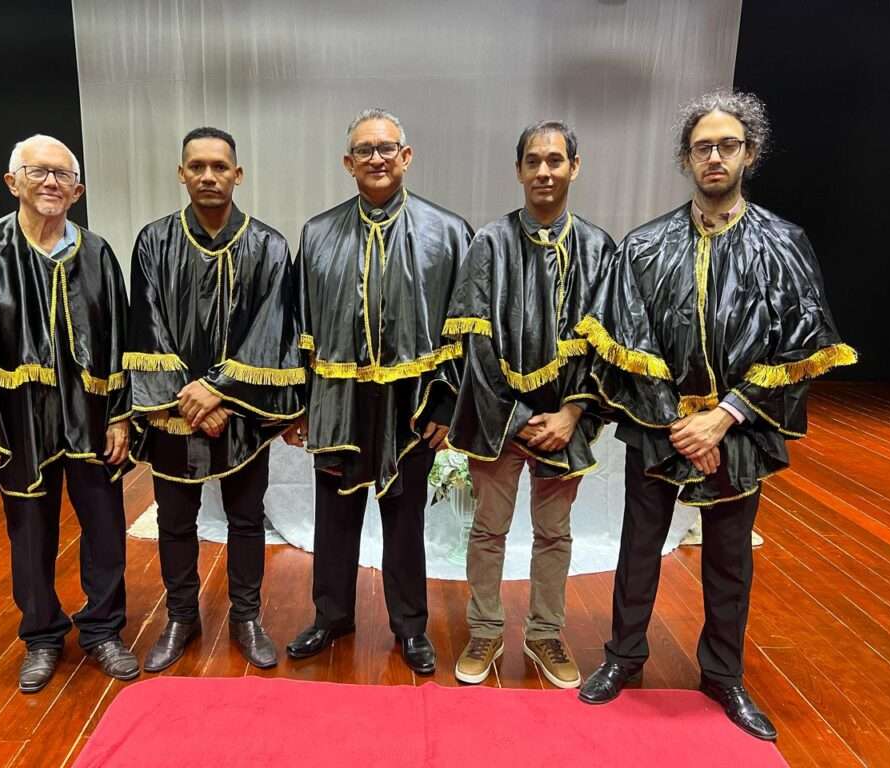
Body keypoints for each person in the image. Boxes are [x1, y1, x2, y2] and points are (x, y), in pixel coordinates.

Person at [575, 91, 857, 740]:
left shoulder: (783, 244)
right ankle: (623, 657)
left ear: (749, 153)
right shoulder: (644, 247)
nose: (714, 157)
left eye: (727, 145)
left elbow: (802, 345)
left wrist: (724, 417)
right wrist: (679, 422)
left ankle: (723, 674)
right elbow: (628, 340)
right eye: (702, 147)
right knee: (639, 545)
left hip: (738, 429)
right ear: (687, 158)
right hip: (662, 425)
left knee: (729, 557)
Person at [0, 134, 138, 693]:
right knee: (30, 531)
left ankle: (103, 630)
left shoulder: (97, 252)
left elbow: (118, 340)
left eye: (63, 175)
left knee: (106, 526)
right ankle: (42, 635)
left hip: (90, 416)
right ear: (12, 181)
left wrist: (119, 416)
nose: (51, 183)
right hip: (16, 418)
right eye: (38, 172)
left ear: (78, 190)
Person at [284, 109, 473, 674]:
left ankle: (410, 627)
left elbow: (464, 329)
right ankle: (331, 615)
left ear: (405, 156)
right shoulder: (317, 234)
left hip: (410, 406)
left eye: (386, 148)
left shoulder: (448, 232)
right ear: (348, 163)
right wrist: (300, 407)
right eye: (364, 150)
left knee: (404, 518)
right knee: (333, 516)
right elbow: (300, 326)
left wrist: (446, 405)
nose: (376, 158)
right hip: (337, 400)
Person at [125, 127, 304, 672]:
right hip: (173, 414)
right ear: (181, 173)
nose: (208, 175)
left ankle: (246, 617)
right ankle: (181, 616)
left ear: (237, 174)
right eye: (197, 166)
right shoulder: (153, 242)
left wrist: (219, 391)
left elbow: (273, 331)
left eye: (219, 166)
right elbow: (148, 326)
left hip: (241, 415)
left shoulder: (269, 246)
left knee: (246, 518)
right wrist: (191, 399)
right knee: (175, 519)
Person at [444, 120, 612, 689]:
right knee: (488, 530)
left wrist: (571, 414)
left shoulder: (597, 248)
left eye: (555, 160)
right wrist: (516, 418)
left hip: (567, 423)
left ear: (574, 167)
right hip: (497, 422)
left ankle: (544, 634)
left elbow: (604, 345)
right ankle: (485, 630)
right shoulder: (489, 243)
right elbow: (473, 344)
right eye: (533, 161)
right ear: (518, 170)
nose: (544, 171)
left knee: (555, 534)